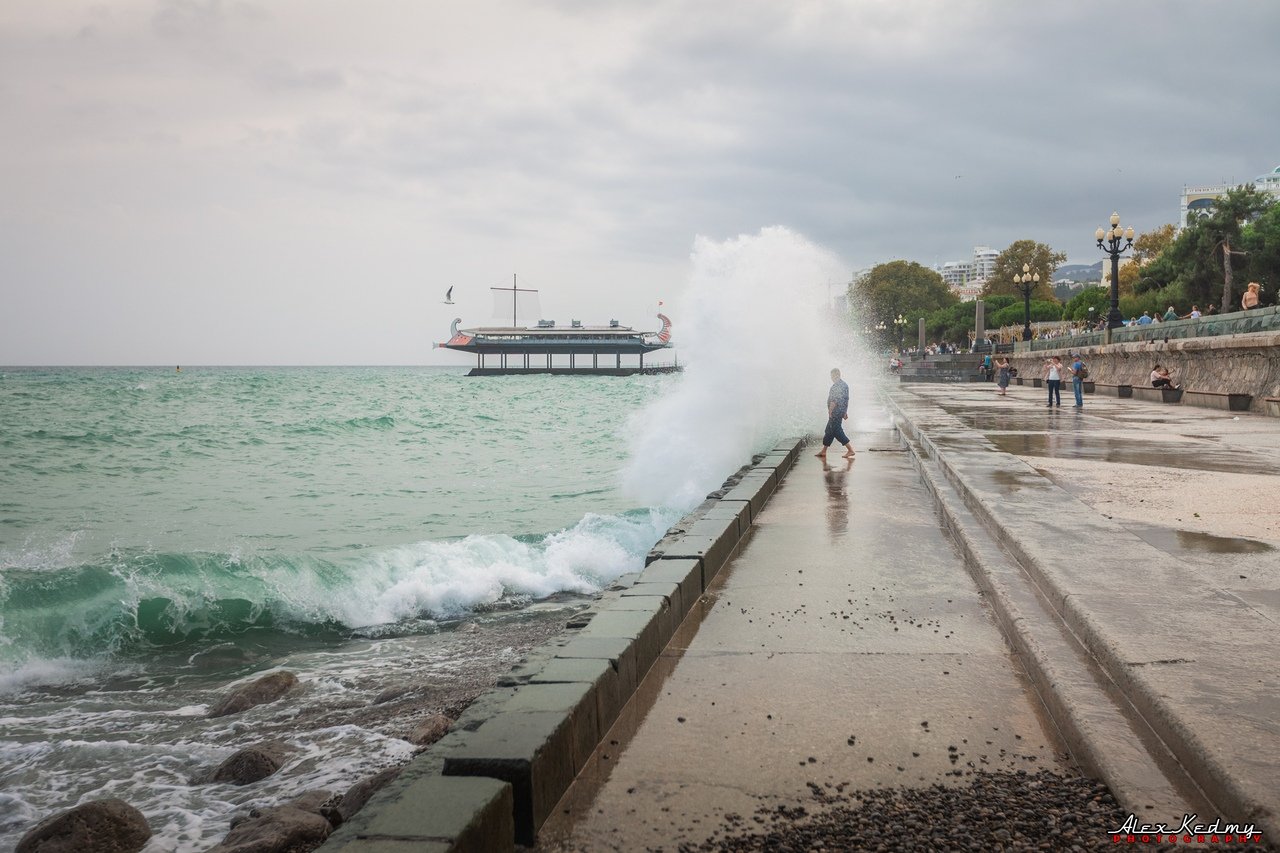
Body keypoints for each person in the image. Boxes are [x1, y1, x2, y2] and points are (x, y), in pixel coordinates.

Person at [816, 368, 854, 459]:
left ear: (836, 375)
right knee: (829, 430)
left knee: (837, 431)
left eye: (832, 376)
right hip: (840, 411)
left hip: (835, 412)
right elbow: (846, 400)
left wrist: (830, 410)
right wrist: (845, 412)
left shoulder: (837, 386)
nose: (831, 378)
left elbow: (834, 400)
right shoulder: (844, 385)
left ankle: (850, 450)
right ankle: (824, 451)